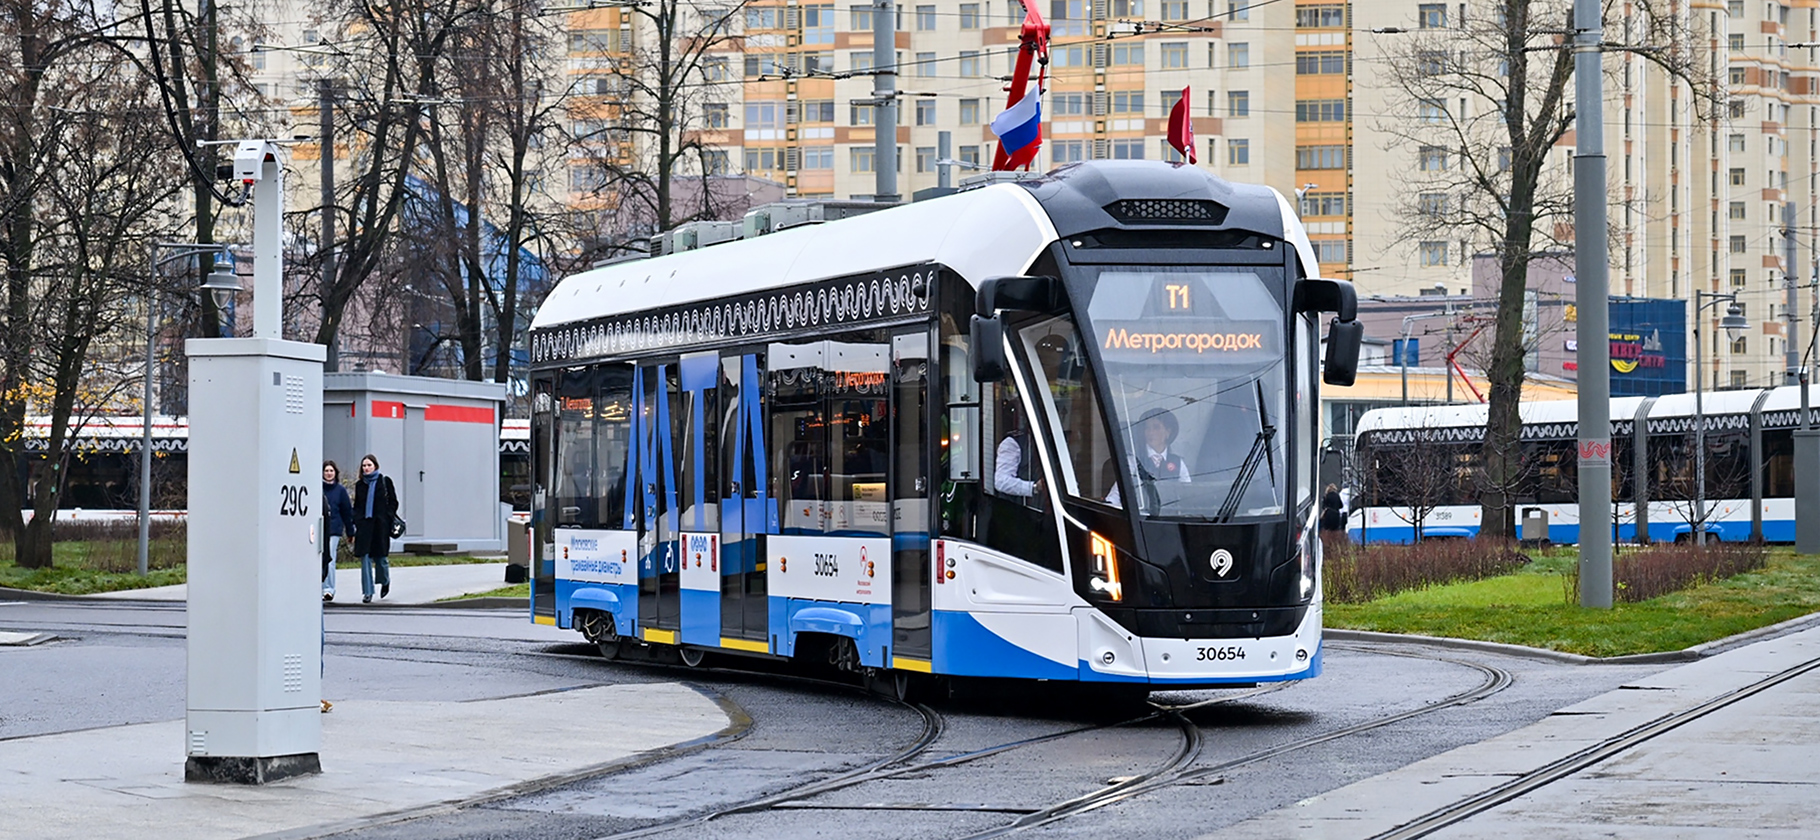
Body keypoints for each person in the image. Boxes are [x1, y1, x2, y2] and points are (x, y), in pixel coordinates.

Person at [352, 454, 399, 604]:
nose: (366, 468)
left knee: (381, 559)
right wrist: (357, 519)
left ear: (375, 466)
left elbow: (393, 501)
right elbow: (358, 505)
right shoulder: (360, 485)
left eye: (369, 465)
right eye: (364, 466)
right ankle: (368, 592)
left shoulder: (384, 481)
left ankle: (385, 581)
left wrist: (387, 516)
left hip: (380, 526)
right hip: (365, 526)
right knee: (365, 558)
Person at [321, 461, 355, 602]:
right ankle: (319, 586)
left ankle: (328, 589)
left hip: (334, 528)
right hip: (319, 529)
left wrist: (350, 531)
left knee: (329, 559)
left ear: (335, 473)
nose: (328, 473)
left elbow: (347, 512)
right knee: (318, 560)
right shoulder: (317, 488)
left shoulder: (340, 491)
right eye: (326, 470)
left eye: (331, 471)